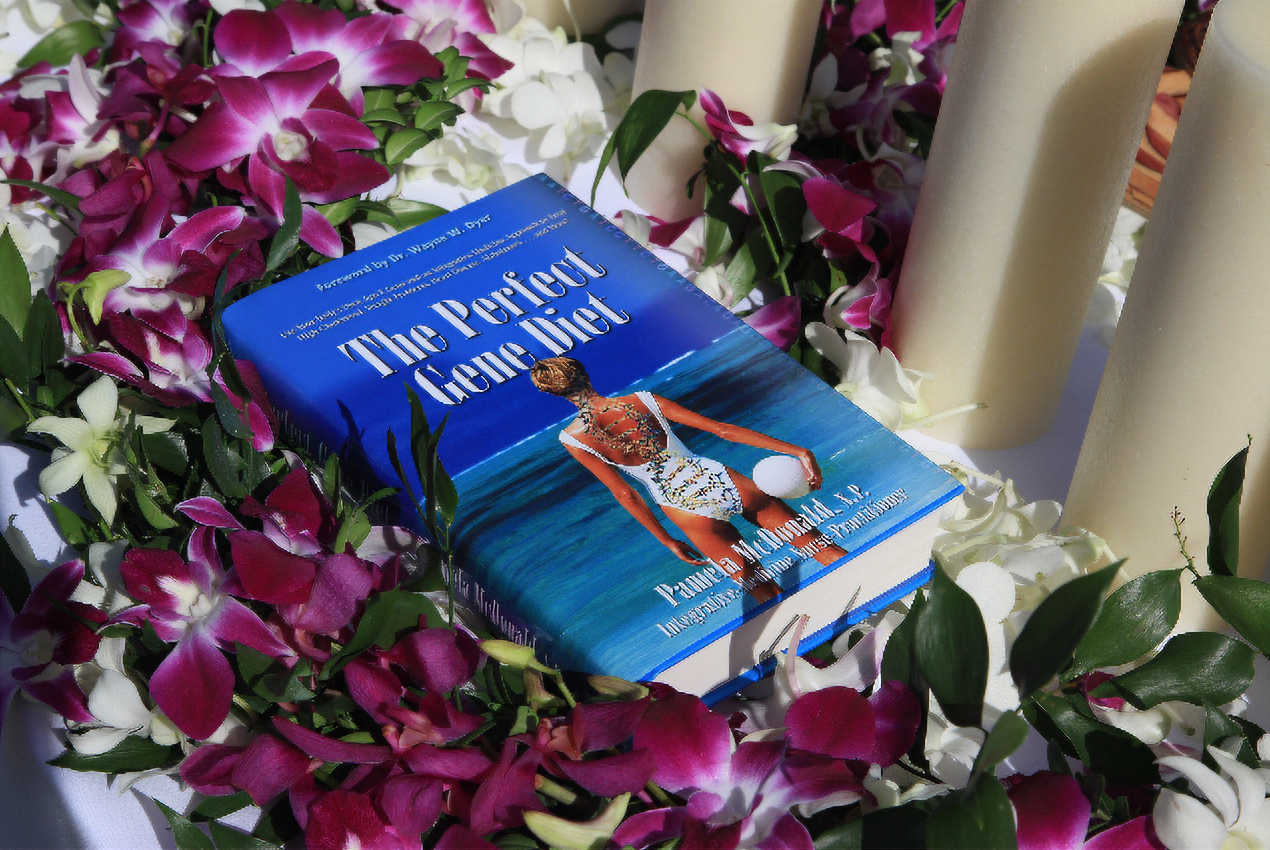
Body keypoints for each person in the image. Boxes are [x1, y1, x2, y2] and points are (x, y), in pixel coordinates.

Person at [530, 357, 848, 603]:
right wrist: (798, 451)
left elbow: (625, 494)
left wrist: (666, 540)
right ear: (584, 373)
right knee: (821, 548)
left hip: (683, 507)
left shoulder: (573, 439)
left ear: (551, 392)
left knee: (764, 592)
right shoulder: (644, 400)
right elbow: (722, 430)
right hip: (722, 480)